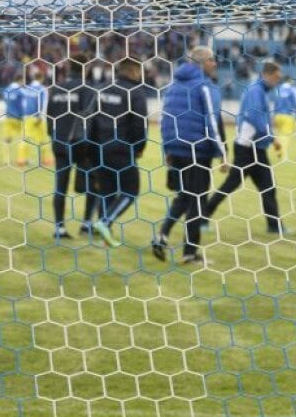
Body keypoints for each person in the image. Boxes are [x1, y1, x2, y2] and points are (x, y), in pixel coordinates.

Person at [154, 46, 228, 265]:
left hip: (176, 150)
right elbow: (212, 120)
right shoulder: (204, 86)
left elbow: (163, 119)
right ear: (202, 62)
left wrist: (167, 149)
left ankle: (162, 235)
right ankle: (190, 252)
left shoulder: (173, 86)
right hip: (197, 150)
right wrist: (223, 153)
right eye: (212, 60)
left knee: (184, 196)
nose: (215, 64)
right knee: (197, 200)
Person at [203, 61, 284, 235]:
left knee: (268, 187)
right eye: (276, 77)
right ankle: (202, 218)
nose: (278, 81)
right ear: (267, 75)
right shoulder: (256, 91)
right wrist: (272, 137)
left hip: (257, 148)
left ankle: (274, 226)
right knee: (230, 185)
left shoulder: (259, 90)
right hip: (247, 148)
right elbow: (254, 117)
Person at [85, 59, 148, 247]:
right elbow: (139, 124)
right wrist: (138, 148)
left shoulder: (103, 89)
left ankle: (105, 237)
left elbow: (90, 118)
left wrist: (91, 150)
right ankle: (105, 222)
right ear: (134, 70)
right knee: (131, 191)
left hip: (99, 147)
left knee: (107, 192)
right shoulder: (135, 93)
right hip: (121, 148)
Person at [46, 59, 96, 241]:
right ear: (86, 67)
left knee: (60, 187)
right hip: (81, 145)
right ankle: (86, 225)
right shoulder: (87, 88)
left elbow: (49, 116)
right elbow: (90, 116)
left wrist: (54, 135)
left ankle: (59, 227)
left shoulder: (57, 88)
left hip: (59, 142)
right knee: (92, 185)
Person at [20, 67, 54, 168]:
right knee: (43, 139)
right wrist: (41, 116)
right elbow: (44, 103)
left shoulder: (28, 87)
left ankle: (22, 159)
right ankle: (44, 160)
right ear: (42, 78)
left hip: (27, 116)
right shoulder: (42, 89)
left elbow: (24, 102)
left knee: (25, 138)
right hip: (38, 117)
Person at [271, 75, 296, 160]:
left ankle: (277, 151)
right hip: (288, 115)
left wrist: (273, 116)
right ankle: (282, 154)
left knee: (278, 134)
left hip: (277, 115)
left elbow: (275, 102)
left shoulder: (278, 89)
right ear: (290, 80)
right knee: (285, 136)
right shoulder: (293, 89)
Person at [1, 74, 26, 166]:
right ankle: (21, 159)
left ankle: (5, 160)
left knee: (7, 139)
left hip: (8, 117)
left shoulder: (6, 90)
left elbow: (6, 101)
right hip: (19, 118)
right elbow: (24, 105)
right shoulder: (21, 91)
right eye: (23, 81)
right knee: (23, 139)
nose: (24, 83)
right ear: (20, 80)